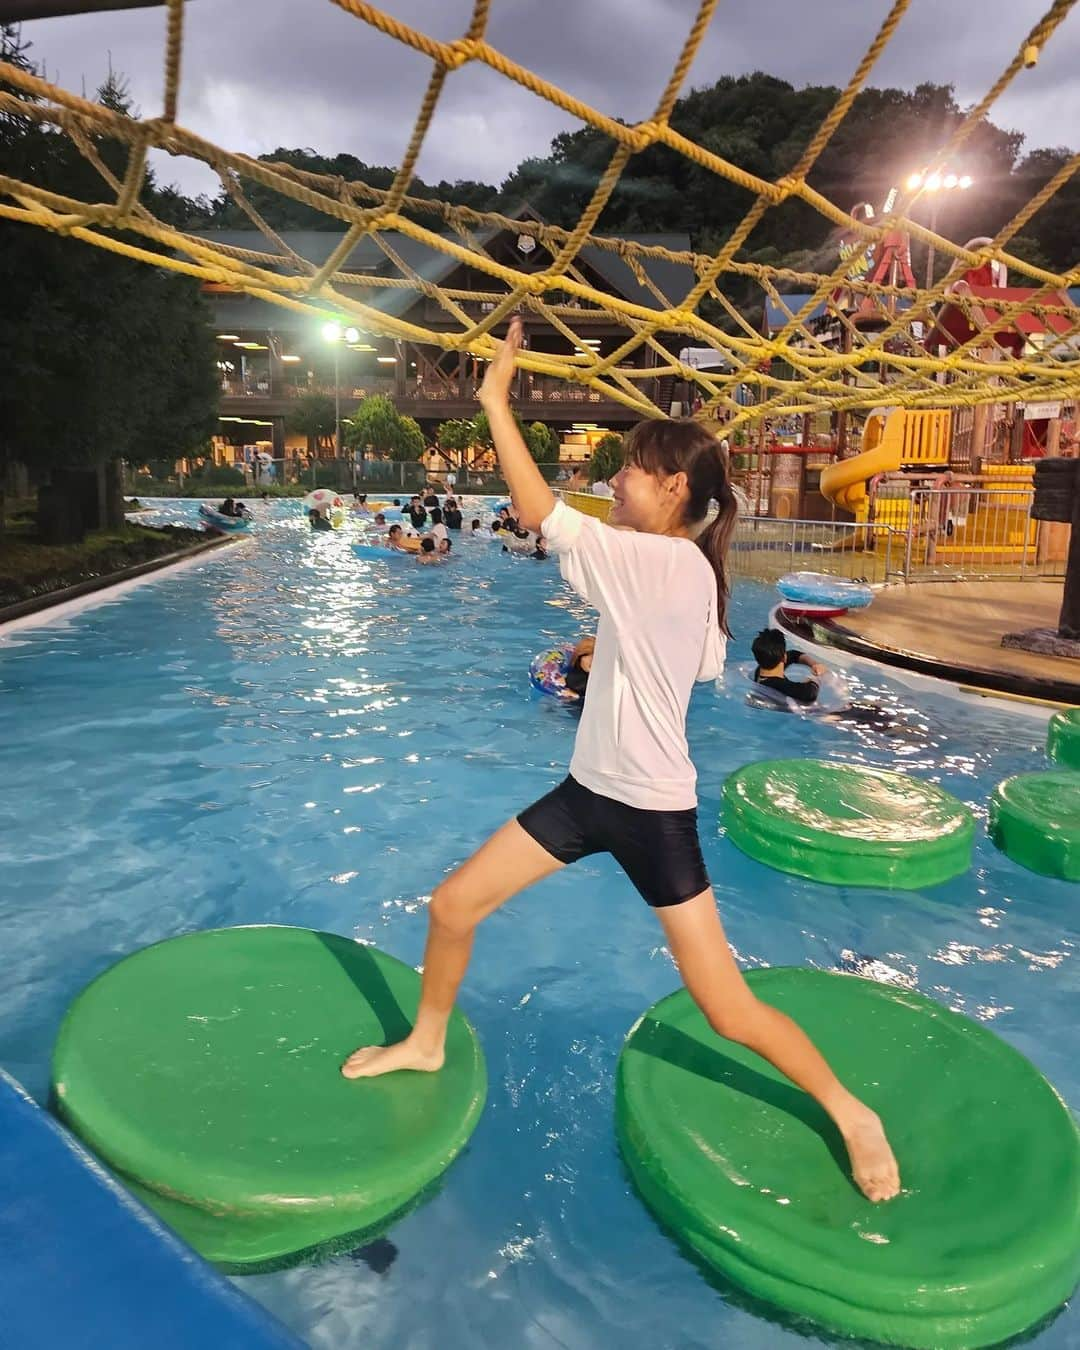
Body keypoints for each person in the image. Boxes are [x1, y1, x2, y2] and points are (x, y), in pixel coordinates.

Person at [341, 315, 899, 1206]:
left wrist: (494, 397)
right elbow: (682, 660)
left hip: (648, 813)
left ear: (674, 487)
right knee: (453, 906)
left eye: (633, 469)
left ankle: (848, 1107)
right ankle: (427, 1038)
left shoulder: (663, 565)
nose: (618, 480)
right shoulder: (687, 577)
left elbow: (536, 512)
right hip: (584, 793)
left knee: (728, 1009)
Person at [751, 629, 825, 706]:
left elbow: (793, 655)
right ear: (784, 658)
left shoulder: (761, 669)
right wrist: (815, 678)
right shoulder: (780, 686)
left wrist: (814, 664)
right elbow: (810, 693)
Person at [564, 635, 594, 699]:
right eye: (587, 655)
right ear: (579, 658)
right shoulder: (572, 678)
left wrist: (578, 696)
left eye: (595, 656)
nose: (592, 660)